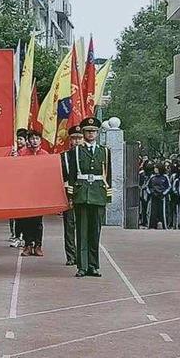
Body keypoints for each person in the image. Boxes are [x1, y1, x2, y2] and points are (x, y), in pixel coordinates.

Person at [66, 117, 112, 277]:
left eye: (93, 131)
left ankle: (94, 266)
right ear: (83, 132)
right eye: (88, 131)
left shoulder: (104, 151)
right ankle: (82, 266)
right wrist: (71, 197)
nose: (91, 134)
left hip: (98, 193)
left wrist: (108, 197)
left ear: (97, 133)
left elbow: (108, 175)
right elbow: (72, 175)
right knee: (82, 231)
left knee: (95, 231)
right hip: (82, 194)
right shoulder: (76, 151)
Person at [19, 130, 49, 257]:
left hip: (39, 193)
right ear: (28, 140)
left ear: (40, 140)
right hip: (25, 192)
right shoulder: (22, 154)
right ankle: (27, 245)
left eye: (36, 138)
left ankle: (38, 245)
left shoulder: (45, 155)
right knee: (26, 220)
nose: (34, 141)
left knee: (38, 221)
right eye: (32, 138)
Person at [60, 125, 84, 266]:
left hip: (85, 194)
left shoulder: (87, 155)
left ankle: (82, 255)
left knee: (83, 226)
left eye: (79, 138)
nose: (77, 141)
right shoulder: (64, 156)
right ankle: (71, 255)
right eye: (74, 138)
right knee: (69, 226)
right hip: (69, 194)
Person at [10, 129, 28, 248]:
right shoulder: (13, 152)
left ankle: (24, 237)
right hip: (15, 187)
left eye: (21, 139)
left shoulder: (27, 153)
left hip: (26, 188)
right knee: (14, 214)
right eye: (17, 139)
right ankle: (15, 235)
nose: (19, 141)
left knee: (24, 215)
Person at [147, 163, 171, 229]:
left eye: (156, 168)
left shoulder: (165, 177)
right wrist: (150, 193)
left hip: (162, 197)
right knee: (153, 211)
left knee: (162, 211)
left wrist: (163, 193)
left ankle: (164, 225)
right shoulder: (152, 177)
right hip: (153, 196)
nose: (155, 169)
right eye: (155, 168)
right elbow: (148, 186)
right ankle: (152, 226)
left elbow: (169, 186)